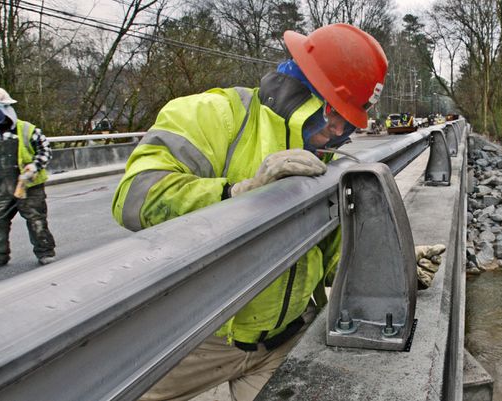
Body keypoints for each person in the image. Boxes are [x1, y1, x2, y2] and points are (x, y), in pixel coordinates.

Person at [111, 24, 388, 401]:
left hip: (281, 342)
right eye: (334, 113)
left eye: (349, 120)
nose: (339, 130)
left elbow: (329, 252)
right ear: (302, 91)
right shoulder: (212, 115)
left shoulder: (324, 154)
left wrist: (385, 263)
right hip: (193, 340)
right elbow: (134, 198)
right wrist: (237, 196)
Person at [0, 86, 56, 268]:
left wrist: (33, 167)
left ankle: (45, 252)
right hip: (2, 187)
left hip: (29, 187)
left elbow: (45, 151)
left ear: (4, 109)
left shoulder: (27, 129)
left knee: (36, 219)